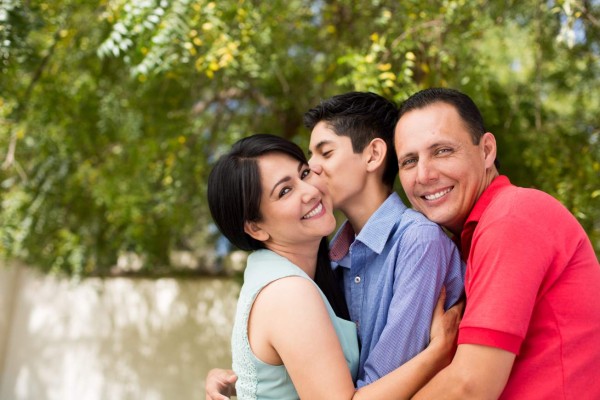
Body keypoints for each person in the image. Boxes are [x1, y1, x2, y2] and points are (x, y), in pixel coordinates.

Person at [205, 92, 465, 398]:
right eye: (286, 188)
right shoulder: (327, 263)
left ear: (372, 155)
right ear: (255, 227)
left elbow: (378, 379)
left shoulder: (417, 242)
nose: (313, 170)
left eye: (323, 154)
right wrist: (247, 379)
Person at [393, 87, 600, 399]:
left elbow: (469, 386)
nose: (424, 174)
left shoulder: (510, 216)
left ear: (486, 150)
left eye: (442, 151)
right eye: (409, 161)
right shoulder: (466, 242)